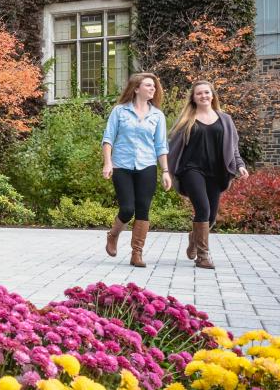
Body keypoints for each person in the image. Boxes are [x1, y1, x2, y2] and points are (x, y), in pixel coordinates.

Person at [167, 81, 248, 269]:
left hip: (216, 171)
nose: (203, 96)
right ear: (193, 98)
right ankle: (203, 257)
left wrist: (240, 165)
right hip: (191, 169)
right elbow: (172, 147)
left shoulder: (225, 119)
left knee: (211, 216)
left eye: (206, 92)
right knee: (202, 209)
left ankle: (194, 238)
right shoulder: (187, 119)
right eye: (199, 94)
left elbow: (233, 147)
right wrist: (169, 170)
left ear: (212, 95)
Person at [102, 72, 172, 268]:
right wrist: (108, 163)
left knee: (143, 209)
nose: (153, 89)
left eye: (154, 86)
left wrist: (165, 171)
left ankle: (137, 253)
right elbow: (108, 139)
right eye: (149, 85)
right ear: (136, 89)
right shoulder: (119, 111)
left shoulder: (157, 115)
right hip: (121, 165)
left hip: (147, 165)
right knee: (127, 209)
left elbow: (161, 146)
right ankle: (113, 234)